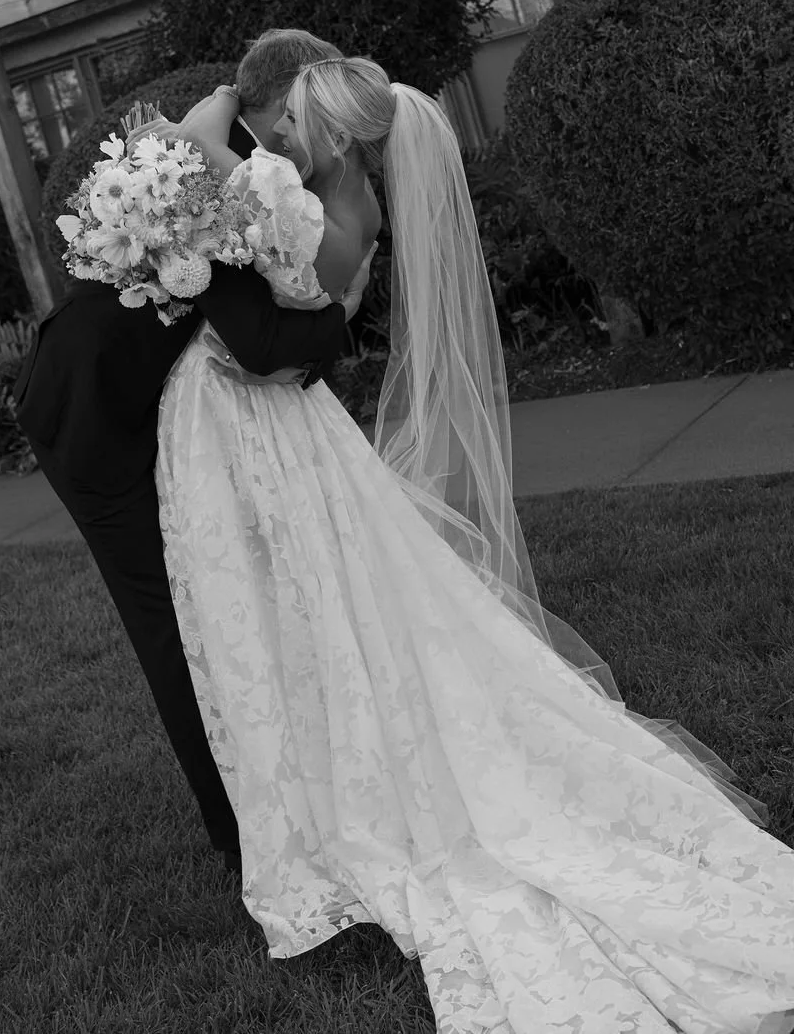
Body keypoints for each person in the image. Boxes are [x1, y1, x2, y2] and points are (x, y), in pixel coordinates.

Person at [154, 58, 794, 1033]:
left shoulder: (293, 202)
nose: (273, 130)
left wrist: (199, 145)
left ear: (321, 132)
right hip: (278, 427)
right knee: (331, 601)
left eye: (288, 118)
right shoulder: (328, 197)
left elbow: (247, 272)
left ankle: (359, 796)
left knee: (321, 601)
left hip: (264, 421)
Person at [14, 28, 358, 876]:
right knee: (169, 619)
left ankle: (273, 782)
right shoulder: (215, 170)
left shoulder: (214, 147)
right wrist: (340, 320)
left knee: (208, 597)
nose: (303, 140)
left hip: (117, 391)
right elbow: (254, 337)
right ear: (279, 103)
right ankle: (237, 827)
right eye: (301, 117)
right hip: (89, 418)